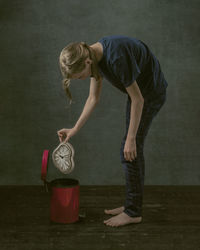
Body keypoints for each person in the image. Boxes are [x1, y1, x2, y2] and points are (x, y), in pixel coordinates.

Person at [57, 35, 168, 227]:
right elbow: (93, 98)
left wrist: (131, 138)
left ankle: (133, 212)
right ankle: (130, 205)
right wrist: (75, 128)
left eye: (80, 76)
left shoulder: (116, 58)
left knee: (130, 150)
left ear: (87, 62)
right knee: (128, 150)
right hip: (138, 95)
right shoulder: (93, 56)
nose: (82, 79)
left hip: (150, 94)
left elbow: (139, 100)